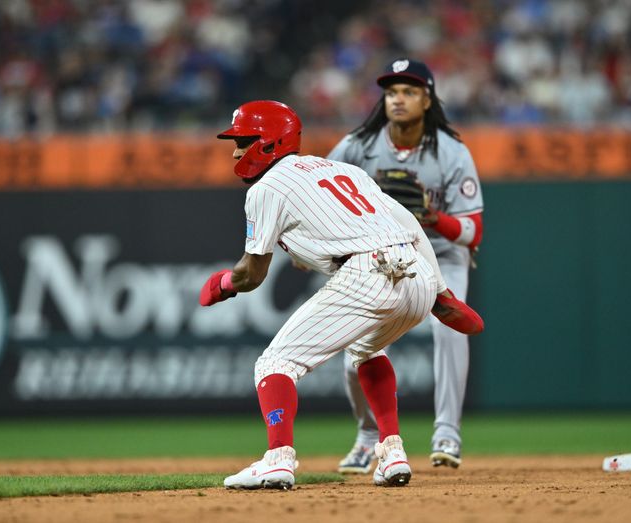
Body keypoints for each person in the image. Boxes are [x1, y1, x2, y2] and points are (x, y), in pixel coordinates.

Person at [199, 99, 482, 490]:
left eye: (243, 141)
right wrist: (439, 291)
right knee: (367, 350)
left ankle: (278, 459)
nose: (235, 150)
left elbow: (252, 274)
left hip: (367, 272)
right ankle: (392, 451)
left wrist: (223, 285)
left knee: (275, 363)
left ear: (268, 142)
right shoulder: (341, 168)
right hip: (415, 271)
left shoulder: (266, 188)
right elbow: (409, 223)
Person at [328, 58, 484, 472]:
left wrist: (434, 218)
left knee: (449, 331)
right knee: (356, 349)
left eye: (409, 91)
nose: (398, 99)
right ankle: (366, 436)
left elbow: (473, 232)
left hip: (439, 254)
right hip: (381, 255)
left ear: (427, 99)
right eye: (392, 91)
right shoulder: (358, 145)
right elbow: (321, 195)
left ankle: (447, 430)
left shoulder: (451, 152)